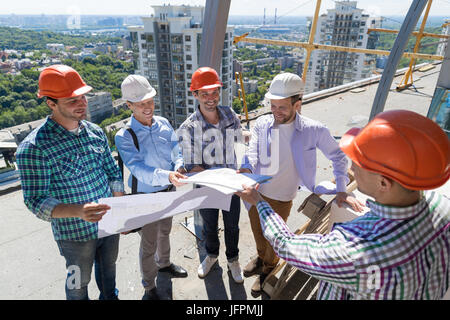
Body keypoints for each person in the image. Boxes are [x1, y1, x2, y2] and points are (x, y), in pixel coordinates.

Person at [237, 109, 450, 300]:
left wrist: (258, 201)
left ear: (383, 183)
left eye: (359, 162)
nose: (352, 167)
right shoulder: (443, 210)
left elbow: (286, 244)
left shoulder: (356, 248)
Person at [238, 72, 364, 296]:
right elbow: (252, 152)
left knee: (273, 237)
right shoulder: (262, 123)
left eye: (282, 107)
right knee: (258, 232)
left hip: (282, 196)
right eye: (273, 106)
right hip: (256, 191)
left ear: (298, 104)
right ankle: (261, 258)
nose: (276, 112)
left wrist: (343, 189)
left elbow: (338, 157)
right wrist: (247, 169)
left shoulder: (314, 129)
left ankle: (268, 269)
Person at [16, 65, 125, 300]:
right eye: (72, 100)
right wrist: (79, 211)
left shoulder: (95, 132)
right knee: (77, 282)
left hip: (108, 225)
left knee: (109, 274)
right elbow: (36, 201)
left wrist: (120, 205)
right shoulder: (34, 148)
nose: (82, 103)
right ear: (51, 103)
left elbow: (112, 171)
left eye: (83, 96)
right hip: (73, 235)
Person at [115, 75, 188, 300]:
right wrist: (168, 175)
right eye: (141, 104)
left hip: (169, 191)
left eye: (150, 102)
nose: (147, 108)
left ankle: (164, 264)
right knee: (148, 243)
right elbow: (138, 169)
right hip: (145, 197)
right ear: (129, 105)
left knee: (165, 230)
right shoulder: (124, 136)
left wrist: (179, 165)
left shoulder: (164, 123)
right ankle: (149, 286)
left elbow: (176, 149)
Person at [178, 67, 244, 283]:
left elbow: (239, 146)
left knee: (232, 225)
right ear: (195, 95)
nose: (210, 98)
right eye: (204, 94)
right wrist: (217, 178)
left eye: (214, 92)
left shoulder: (229, 115)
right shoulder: (188, 128)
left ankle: (233, 259)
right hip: (207, 187)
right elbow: (192, 165)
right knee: (209, 226)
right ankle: (212, 255)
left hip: (231, 186)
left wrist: (240, 172)